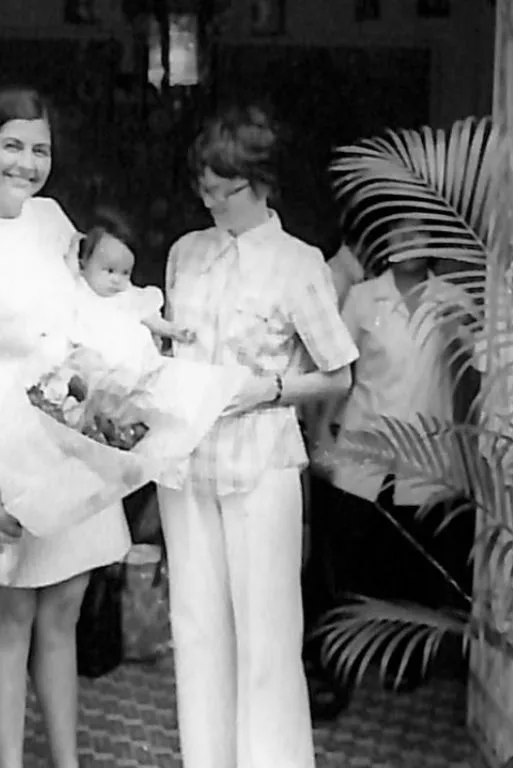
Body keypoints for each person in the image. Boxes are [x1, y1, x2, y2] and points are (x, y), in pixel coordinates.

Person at [0, 87, 131, 768]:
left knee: (65, 610)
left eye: (40, 148)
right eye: (12, 145)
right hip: (3, 459)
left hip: (71, 448)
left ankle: (65, 762)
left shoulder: (52, 221)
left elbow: (98, 306)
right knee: (10, 617)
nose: (27, 161)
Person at [156, 104, 359, 768]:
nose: (213, 201)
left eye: (228, 189)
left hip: (262, 461)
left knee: (267, 639)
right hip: (185, 463)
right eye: (205, 188)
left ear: (263, 182)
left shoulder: (298, 263)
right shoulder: (187, 252)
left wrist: (265, 390)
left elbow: (339, 374)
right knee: (196, 628)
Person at [311, 219, 477, 684]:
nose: (408, 244)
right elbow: (338, 370)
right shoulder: (363, 298)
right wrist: (323, 433)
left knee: (413, 564)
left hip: (426, 452)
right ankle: (343, 658)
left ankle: (404, 662)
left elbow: (471, 378)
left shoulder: (454, 303)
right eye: (399, 234)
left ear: (434, 243)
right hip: (365, 442)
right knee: (354, 556)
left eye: (419, 235)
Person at [70, 206, 196, 345]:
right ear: (84, 264)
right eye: (110, 270)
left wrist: (174, 331)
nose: (117, 280)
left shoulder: (127, 295)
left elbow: (151, 320)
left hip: (131, 355)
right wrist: (74, 247)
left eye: (125, 273)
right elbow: (68, 270)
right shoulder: (80, 288)